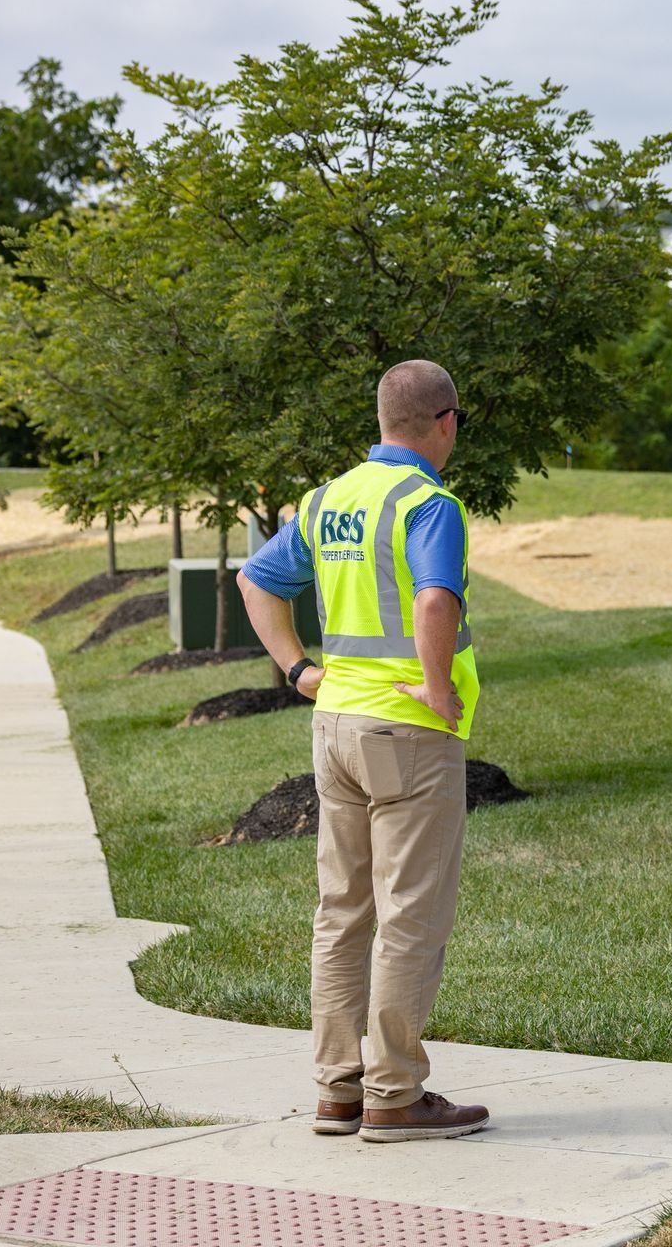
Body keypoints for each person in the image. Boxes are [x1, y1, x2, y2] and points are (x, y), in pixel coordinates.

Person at [237, 359, 489, 1144]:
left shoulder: (328, 499)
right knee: (410, 916)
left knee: (342, 913)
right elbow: (435, 596)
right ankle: (395, 1095)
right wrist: (439, 687)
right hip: (407, 732)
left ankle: (338, 1089)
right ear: (445, 422)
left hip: (336, 725)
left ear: (384, 420)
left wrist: (298, 670)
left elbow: (255, 580)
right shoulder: (429, 502)